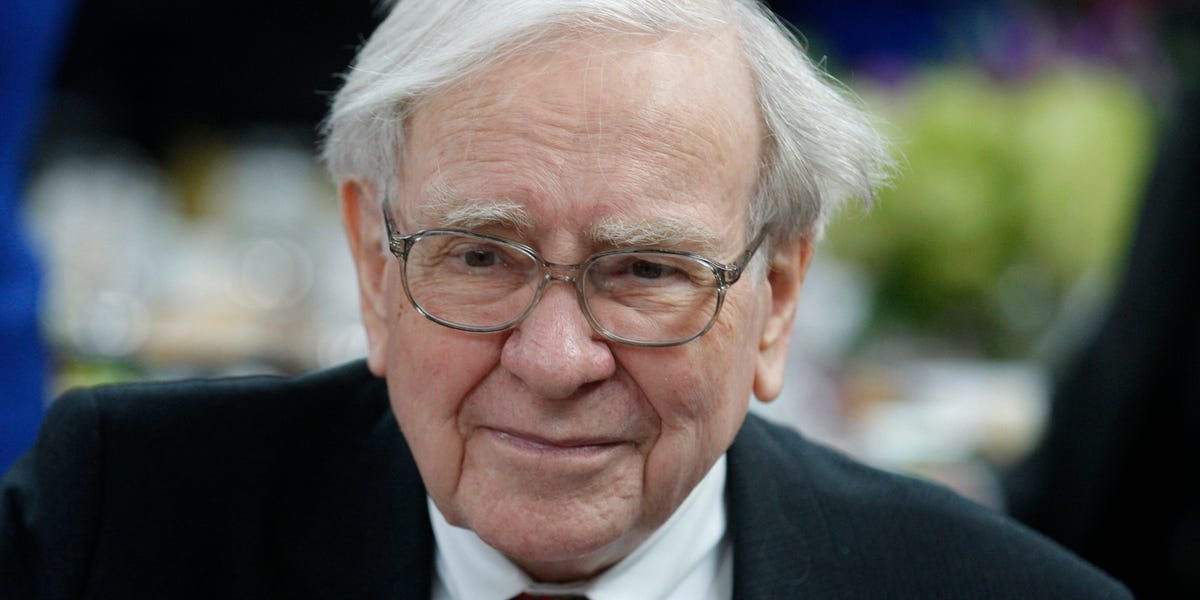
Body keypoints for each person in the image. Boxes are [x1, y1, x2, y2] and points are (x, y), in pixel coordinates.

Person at [0, 0, 1129, 597]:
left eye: (644, 271)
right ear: (374, 265)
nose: (552, 359)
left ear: (778, 296)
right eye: (481, 256)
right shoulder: (120, 525)